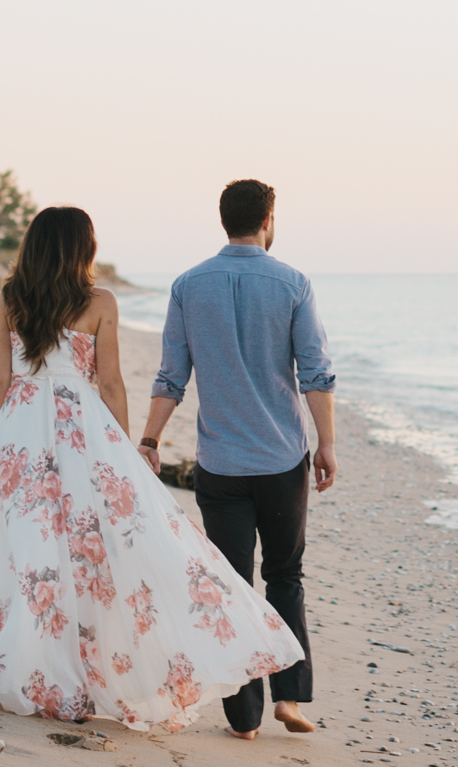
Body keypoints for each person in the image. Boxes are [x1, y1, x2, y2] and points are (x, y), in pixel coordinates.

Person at [0, 206, 304, 733]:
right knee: (94, 554)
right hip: (85, 433)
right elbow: (109, 384)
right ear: (85, 249)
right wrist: (126, 448)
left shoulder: (10, 297)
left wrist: (15, 429)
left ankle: (36, 668)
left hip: (19, 433)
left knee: (28, 553)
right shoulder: (100, 302)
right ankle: (91, 669)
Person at [140, 178, 337, 740]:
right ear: (268, 219)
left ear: (223, 219)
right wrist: (326, 445)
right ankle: (292, 699)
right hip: (280, 458)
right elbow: (315, 374)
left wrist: (150, 441)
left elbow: (170, 377)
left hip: (220, 463)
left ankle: (244, 717)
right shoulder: (293, 283)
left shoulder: (187, 285)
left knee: (230, 583)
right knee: (285, 577)